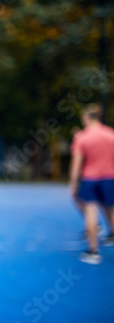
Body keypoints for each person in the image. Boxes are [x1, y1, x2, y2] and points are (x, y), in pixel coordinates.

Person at [70, 103, 114, 265]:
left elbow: (76, 164)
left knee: (90, 212)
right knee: (110, 208)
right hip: (110, 177)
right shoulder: (111, 134)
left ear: (87, 118)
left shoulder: (82, 137)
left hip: (90, 179)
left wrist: (73, 183)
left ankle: (93, 251)